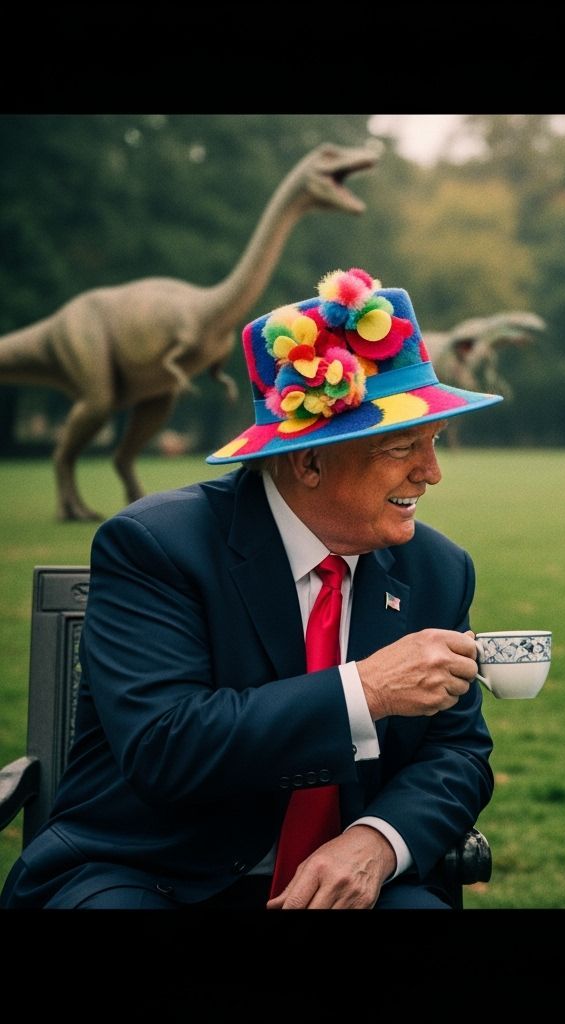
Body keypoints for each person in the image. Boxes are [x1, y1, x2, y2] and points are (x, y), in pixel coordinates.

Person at [1, 267, 503, 910]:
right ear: (310, 461)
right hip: (150, 873)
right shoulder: (155, 546)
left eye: (432, 444)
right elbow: (168, 747)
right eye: (404, 446)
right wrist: (367, 691)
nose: (431, 473)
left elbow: (457, 753)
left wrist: (377, 842)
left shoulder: (438, 568)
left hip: (354, 884)